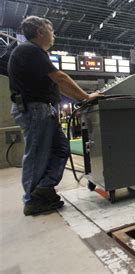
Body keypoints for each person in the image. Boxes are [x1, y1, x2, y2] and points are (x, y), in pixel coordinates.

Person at [8, 16, 101, 216]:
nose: (54, 35)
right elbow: (60, 78)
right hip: (35, 110)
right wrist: (86, 96)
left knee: (61, 148)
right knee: (37, 155)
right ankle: (32, 199)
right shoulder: (31, 50)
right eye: (51, 31)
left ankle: (45, 188)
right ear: (41, 32)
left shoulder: (33, 53)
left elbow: (57, 84)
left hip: (42, 109)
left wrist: (79, 99)